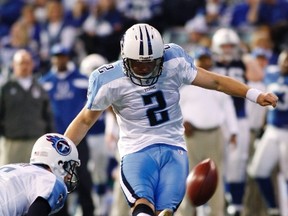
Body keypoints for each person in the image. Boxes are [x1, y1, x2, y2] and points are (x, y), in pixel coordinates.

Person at [64, 23, 278, 216]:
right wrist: (63, 153)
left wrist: (254, 94)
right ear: (124, 58)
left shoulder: (173, 60)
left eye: (151, 63)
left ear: (160, 56)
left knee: (163, 211)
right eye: (138, 64)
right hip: (137, 150)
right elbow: (84, 120)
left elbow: (215, 81)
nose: (145, 68)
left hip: (173, 147)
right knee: (142, 204)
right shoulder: (109, 79)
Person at [177, 47, 238, 216]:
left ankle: (217, 213)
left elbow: (228, 108)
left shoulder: (218, 82)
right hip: (191, 136)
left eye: (207, 59)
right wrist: (181, 124)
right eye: (201, 59)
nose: (205, 62)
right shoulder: (186, 83)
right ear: (195, 61)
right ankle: (186, 213)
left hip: (214, 134)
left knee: (215, 178)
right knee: (188, 178)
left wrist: (233, 131)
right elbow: (173, 108)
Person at [40, 44, 95, 216]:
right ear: (52, 59)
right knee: (55, 180)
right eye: (56, 56)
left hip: (78, 138)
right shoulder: (45, 82)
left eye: (62, 56)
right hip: (54, 141)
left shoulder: (82, 80)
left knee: (83, 177)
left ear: (68, 58)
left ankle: (88, 211)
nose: (59, 59)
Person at [248, 49, 288, 216]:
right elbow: (251, 66)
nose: (286, 63)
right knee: (258, 171)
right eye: (285, 59)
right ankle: (273, 207)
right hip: (272, 130)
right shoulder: (270, 73)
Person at [0, 132, 80, 216]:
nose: (70, 175)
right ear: (59, 163)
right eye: (67, 167)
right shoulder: (49, 180)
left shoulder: (17, 169)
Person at [0, 49, 54, 166]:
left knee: (35, 178)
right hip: (12, 142)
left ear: (32, 64)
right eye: (21, 63)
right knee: (9, 179)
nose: (24, 66)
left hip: (35, 142)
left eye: (27, 62)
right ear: (13, 65)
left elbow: (48, 115)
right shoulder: (5, 88)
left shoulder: (40, 87)